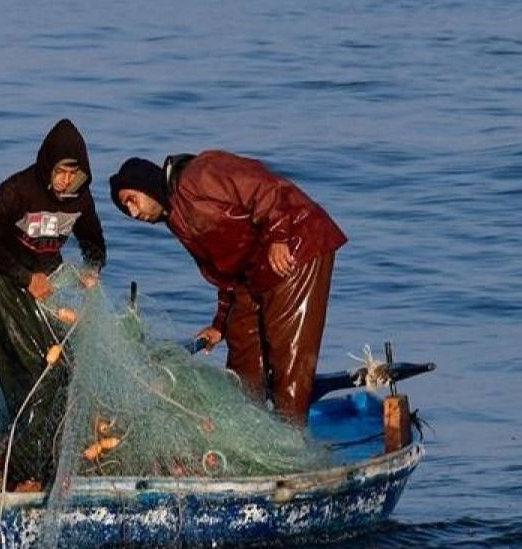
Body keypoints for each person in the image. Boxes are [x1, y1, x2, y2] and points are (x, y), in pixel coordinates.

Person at [108, 151, 346, 424]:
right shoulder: (178, 220)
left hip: (294, 245)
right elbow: (224, 272)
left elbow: (265, 187)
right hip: (253, 271)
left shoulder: (198, 175)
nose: (133, 212)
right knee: (242, 347)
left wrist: (279, 235)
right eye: (125, 209)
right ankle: (247, 430)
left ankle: (292, 440)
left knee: (287, 356)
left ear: (147, 186)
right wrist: (220, 323)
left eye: (131, 200)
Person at [0, 119, 105, 490]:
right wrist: (27, 278)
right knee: (40, 377)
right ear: (48, 167)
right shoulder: (18, 191)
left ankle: (45, 465)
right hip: (3, 284)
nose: (65, 181)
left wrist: (92, 270)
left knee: (64, 372)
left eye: (72, 173)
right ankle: (23, 475)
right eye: (60, 172)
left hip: (48, 290)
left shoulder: (80, 199)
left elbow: (94, 242)